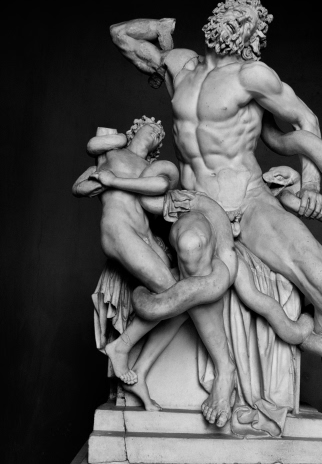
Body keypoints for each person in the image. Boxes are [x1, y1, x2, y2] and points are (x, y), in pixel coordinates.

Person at [109, 0, 322, 428]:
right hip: (199, 202)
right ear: (216, 18)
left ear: (254, 36)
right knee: (191, 248)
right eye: (231, 15)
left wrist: (309, 184)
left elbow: (306, 121)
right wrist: (157, 26)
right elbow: (121, 35)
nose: (235, 24)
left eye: (246, 22)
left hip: (251, 202)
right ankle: (225, 370)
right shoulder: (179, 64)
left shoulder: (252, 75)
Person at [73, 117, 237, 422]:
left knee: (181, 301)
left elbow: (161, 186)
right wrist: (101, 177)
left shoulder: (151, 168)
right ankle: (121, 348)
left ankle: (141, 370)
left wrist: (113, 181)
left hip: (145, 237)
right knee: (177, 295)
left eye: (159, 136)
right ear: (135, 130)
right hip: (119, 230)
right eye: (151, 130)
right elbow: (79, 187)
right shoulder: (111, 155)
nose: (155, 136)